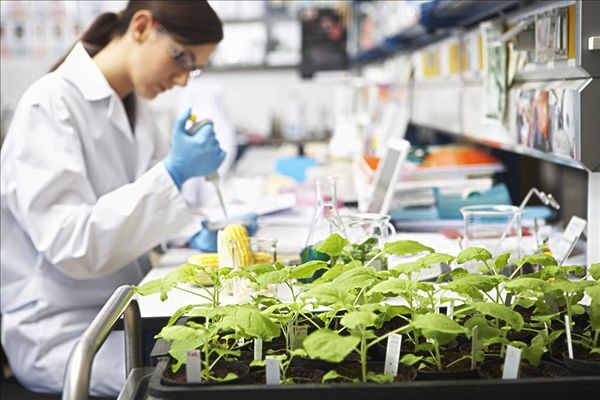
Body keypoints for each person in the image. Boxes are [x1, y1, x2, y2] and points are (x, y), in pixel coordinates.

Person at [0, 1, 225, 396]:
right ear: (141, 27)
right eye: (181, 58)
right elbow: (72, 244)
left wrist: (194, 232)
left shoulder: (138, 110)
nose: (183, 80)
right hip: (66, 332)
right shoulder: (48, 104)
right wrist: (172, 173)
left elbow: (141, 215)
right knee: (201, 378)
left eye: (194, 69)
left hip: (123, 314)